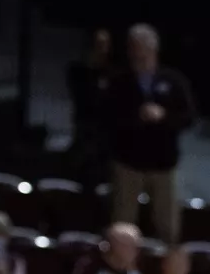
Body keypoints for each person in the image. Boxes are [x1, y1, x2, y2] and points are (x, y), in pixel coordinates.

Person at [106, 24, 194, 243]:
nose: (137, 54)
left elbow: (188, 117)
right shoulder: (120, 82)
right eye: (133, 48)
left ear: (153, 49)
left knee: (168, 226)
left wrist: (163, 116)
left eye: (141, 48)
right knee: (122, 224)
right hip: (128, 163)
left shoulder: (173, 81)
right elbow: (107, 118)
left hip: (163, 165)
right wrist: (138, 117)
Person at [66, 28, 114, 178]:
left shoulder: (112, 73)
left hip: (107, 130)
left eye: (105, 45)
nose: (102, 49)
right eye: (99, 44)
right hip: (85, 127)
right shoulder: (78, 71)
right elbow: (84, 97)